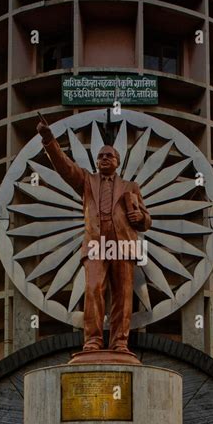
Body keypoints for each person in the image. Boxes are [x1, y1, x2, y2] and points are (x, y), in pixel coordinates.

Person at [36, 116, 152, 355]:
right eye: (100, 156)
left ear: (117, 162)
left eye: (109, 156)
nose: (104, 159)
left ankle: (120, 342)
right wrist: (49, 141)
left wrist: (140, 218)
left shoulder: (131, 187)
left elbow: (147, 220)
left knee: (122, 294)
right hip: (96, 244)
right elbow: (64, 166)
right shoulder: (87, 181)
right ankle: (93, 342)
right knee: (93, 289)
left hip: (122, 246)